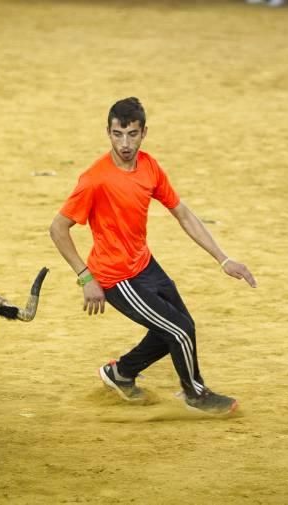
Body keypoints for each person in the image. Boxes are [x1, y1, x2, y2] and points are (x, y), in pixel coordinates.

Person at [49, 97, 257, 415]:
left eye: (132, 134)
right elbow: (58, 229)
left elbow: (183, 214)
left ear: (144, 132)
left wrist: (224, 259)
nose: (125, 143)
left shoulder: (149, 167)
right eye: (118, 134)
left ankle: (120, 373)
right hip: (115, 277)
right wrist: (85, 276)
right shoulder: (95, 179)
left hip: (144, 264)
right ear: (108, 132)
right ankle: (195, 394)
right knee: (179, 330)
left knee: (177, 327)